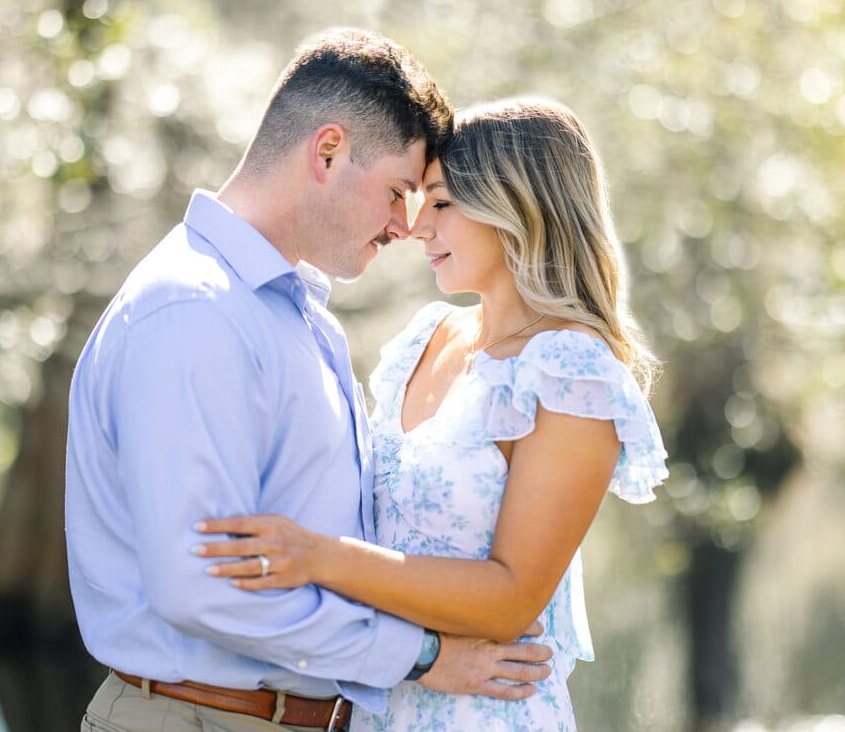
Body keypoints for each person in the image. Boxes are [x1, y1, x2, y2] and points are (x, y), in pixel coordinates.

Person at [64, 30, 554, 732]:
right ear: (326, 152)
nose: (403, 226)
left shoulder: (293, 315)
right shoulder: (194, 312)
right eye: (396, 191)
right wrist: (419, 656)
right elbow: (201, 586)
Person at [194, 98, 669, 730]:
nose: (417, 227)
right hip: (380, 701)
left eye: (442, 203)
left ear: (518, 206)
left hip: (488, 714)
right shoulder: (428, 336)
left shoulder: (569, 372)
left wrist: (315, 557)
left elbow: (510, 599)